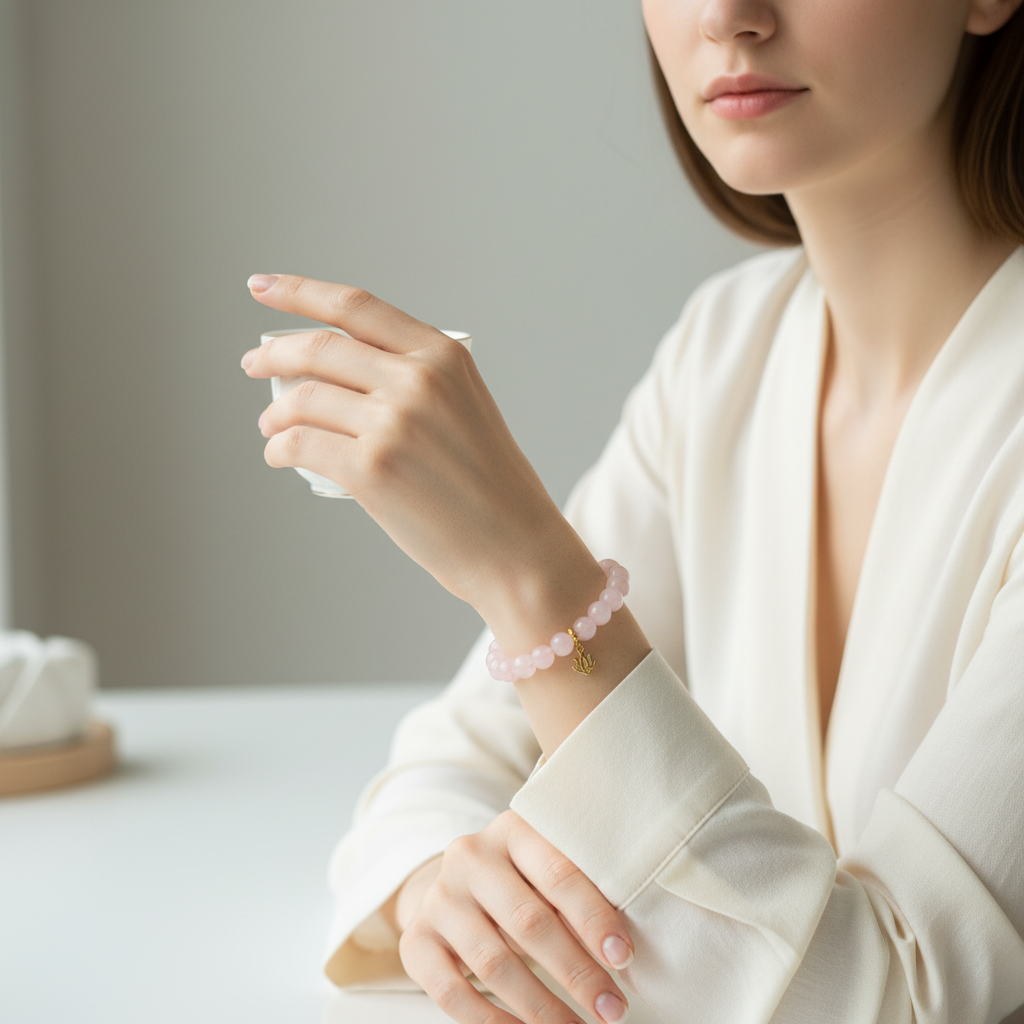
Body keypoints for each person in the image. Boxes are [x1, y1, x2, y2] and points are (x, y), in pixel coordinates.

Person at [240, 0, 1024, 1020]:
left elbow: (891, 996)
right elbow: (448, 770)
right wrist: (446, 890)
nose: (728, 14)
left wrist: (534, 581)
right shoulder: (726, 351)